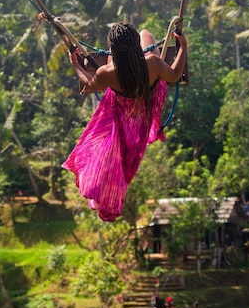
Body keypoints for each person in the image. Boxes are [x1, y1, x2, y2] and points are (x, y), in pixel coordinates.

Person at [62, 22, 187, 222]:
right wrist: (183, 47)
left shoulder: (107, 73)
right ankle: (128, 45)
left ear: (114, 49)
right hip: (148, 102)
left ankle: (124, 47)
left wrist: (75, 64)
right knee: (147, 31)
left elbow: (88, 84)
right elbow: (174, 74)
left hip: (126, 109)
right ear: (136, 45)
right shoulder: (153, 63)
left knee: (117, 60)